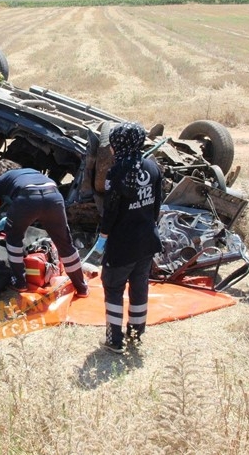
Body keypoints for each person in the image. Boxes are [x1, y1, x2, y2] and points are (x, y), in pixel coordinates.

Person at [89, 122, 163, 354]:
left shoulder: (117, 171)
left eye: (113, 142)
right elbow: (156, 206)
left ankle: (115, 340)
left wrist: (102, 238)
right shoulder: (153, 167)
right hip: (147, 240)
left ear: (119, 143)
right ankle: (135, 332)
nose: (110, 146)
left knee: (113, 287)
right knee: (139, 287)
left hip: (122, 243)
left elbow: (111, 210)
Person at [0, 168, 90, 297]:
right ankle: (82, 288)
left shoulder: (0, 181)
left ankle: (20, 283)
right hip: (54, 196)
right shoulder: (31, 172)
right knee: (65, 244)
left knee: (13, 240)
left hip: (27, 198)